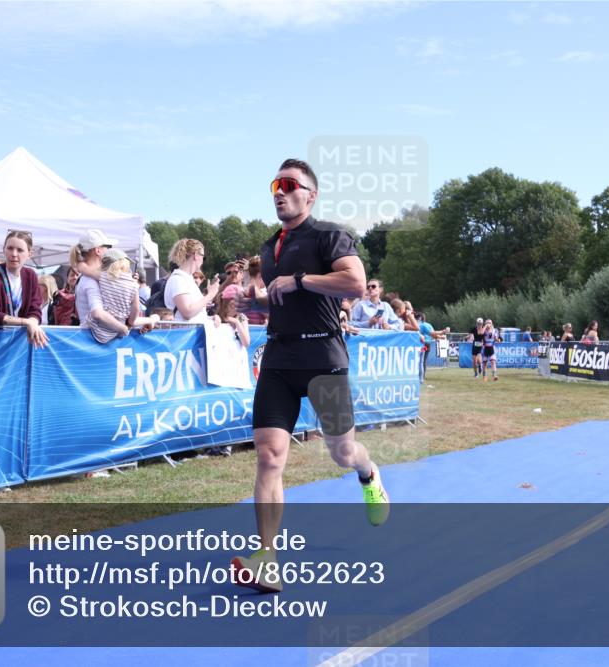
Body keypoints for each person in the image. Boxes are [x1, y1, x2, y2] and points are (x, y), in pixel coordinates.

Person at [230, 159, 389, 593]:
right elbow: (283, 300)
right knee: (268, 455)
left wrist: (299, 281)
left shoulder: (329, 235)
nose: (279, 192)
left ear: (310, 194)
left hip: (323, 357)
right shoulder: (269, 247)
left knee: (343, 451)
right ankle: (267, 558)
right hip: (280, 357)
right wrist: (257, 307)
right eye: (274, 185)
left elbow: (355, 283)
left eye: (288, 184)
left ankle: (369, 474)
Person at [0, 230, 48, 347]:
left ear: (30, 254)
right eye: (10, 248)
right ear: (3, 249)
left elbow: (35, 310)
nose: (14, 254)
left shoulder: (30, 275)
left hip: (20, 343)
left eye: (20, 250)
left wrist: (33, 323)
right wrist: (26, 322)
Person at [90, 248, 159, 344]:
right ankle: (153, 319)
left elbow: (85, 269)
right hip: (120, 329)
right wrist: (130, 323)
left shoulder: (102, 277)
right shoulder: (133, 284)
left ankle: (153, 319)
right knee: (142, 319)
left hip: (98, 328)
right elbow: (135, 309)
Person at [71, 229, 130, 337]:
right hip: (97, 341)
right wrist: (123, 328)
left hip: (93, 339)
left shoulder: (87, 277)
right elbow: (97, 313)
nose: (109, 251)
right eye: (108, 247)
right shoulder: (90, 281)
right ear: (98, 250)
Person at [164, 239, 220, 323]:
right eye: (203, 257)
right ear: (196, 255)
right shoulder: (178, 279)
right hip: (184, 334)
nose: (202, 261)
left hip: (191, 333)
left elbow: (194, 313)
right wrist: (210, 295)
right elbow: (187, 312)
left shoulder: (187, 279)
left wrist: (210, 318)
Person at [416, 311, 448, 383]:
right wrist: (440, 337)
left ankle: (421, 377)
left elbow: (432, 333)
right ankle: (422, 376)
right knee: (423, 360)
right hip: (427, 344)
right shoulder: (428, 325)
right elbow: (433, 334)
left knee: (421, 360)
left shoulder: (418, 325)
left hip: (422, 344)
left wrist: (442, 333)